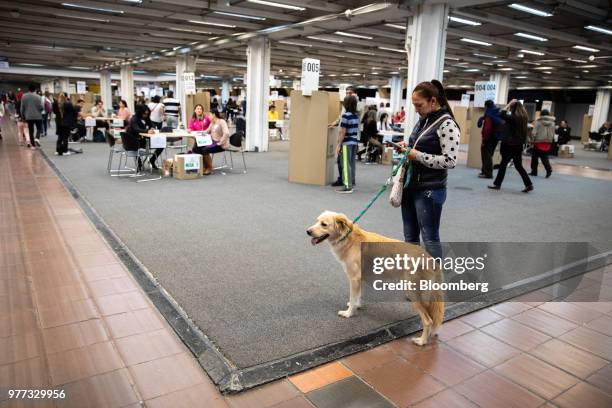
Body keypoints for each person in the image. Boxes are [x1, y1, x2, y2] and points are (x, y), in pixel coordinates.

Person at [395, 80, 460, 259]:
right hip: (411, 185)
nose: (416, 109)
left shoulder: (447, 124)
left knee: (430, 239)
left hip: (430, 190)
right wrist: (406, 146)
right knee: (410, 238)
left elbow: (450, 161)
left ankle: (435, 281)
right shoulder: (423, 120)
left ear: (432, 101)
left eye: (419, 105)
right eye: (414, 105)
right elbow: (416, 145)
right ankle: (415, 276)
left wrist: (416, 155)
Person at [488, 99, 533, 192]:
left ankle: (497, 184)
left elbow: (501, 114)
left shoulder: (513, 118)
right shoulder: (524, 118)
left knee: (503, 164)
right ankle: (529, 184)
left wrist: (508, 104)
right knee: (518, 166)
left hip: (509, 144)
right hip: (518, 145)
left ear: (513, 108)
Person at [332, 95, 359, 193]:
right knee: (351, 164)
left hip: (346, 143)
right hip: (354, 142)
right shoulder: (356, 115)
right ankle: (351, 182)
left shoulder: (345, 116)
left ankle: (347, 186)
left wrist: (338, 144)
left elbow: (342, 132)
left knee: (345, 165)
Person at [192, 109, 229, 175]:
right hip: (212, 142)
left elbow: (226, 133)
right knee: (197, 146)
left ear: (214, 114)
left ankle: (209, 168)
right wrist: (196, 133)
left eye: (209, 115)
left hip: (220, 144)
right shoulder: (212, 123)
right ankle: (203, 166)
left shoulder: (221, 122)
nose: (208, 116)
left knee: (205, 149)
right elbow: (206, 131)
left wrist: (220, 142)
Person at [477, 99, 504, 179]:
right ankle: (484, 171)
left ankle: (488, 173)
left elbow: (487, 129)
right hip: (496, 137)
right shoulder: (496, 112)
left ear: (486, 106)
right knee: (489, 154)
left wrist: (484, 139)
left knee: (486, 155)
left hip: (489, 138)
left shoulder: (489, 115)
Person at [125, 104, 155, 172]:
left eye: (147, 114)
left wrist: (152, 127)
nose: (146, 115)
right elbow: (136, 129)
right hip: (134, 141)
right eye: (144, 114)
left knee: (161, 144)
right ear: (140, 112)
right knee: (137, 146)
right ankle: (139, 163)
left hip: (143, 139)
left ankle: (152, 160)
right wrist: (147, 131)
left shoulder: (146, 118)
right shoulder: (134, 119)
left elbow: (151, 124)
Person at [530, 109, 555, 178]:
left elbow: (534, 133)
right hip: (547, 142)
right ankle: (548, 170)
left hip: (538, 142)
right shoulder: (553, 123)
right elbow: (553, 133)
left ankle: (534, 172)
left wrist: (532, 140)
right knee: (544, 157)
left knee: (534, 158)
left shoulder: (538, 122)